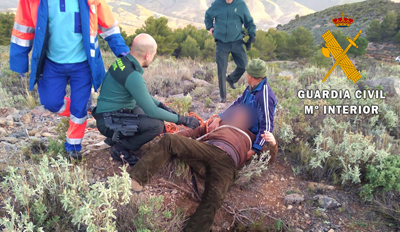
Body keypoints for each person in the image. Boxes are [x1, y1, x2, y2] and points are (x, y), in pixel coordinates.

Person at [128, 106, 278, 232]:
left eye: (246, 114)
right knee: (170, 140)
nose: (241, 114)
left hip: (227, 164)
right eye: (239, 111)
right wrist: (166, 138)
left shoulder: (253, 137)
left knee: (214, 198)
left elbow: (267, 160)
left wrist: (273, 144)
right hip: (206, 149)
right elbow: (193, 134)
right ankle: (135, 185)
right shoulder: (218, 123)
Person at [9, 0, 129, 160]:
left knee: (79, 110)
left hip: (84, 64)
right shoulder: (31, 1)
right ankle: (81, 110)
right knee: (51, 103)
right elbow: (22, 30)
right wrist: (19, 61)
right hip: (51, 64)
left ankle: (73, 147)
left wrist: (124, 53)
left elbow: (109, 28)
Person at [92, 34, 200, 166]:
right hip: (109, 121)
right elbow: (152, 111)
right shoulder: (133, 75)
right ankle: (121, 149)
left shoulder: (123, 63)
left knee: (142, 109)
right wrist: (182, 120)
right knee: (156, 125)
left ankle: (115, 138)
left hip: (108, 115)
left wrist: (161, 105)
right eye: (153, 55)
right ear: (147, 55)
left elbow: (142, 96)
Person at [208, 59, 278, 161]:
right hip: (241, 124)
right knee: (211, 125)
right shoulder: (251, 88)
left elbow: (266, 127)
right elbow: (237, 104)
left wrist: (254, 149)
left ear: (251, 76)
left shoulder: (264, 96)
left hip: (249, 134)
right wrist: (219, 118)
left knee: (228, 152)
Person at [205, 0, 256, 103]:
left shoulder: (241, 4)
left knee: (243, 65)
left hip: (237, 41)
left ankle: (231, 79)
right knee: (221, 70)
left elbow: (249, 21)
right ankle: (223, 97)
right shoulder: (217, 4)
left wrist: (252, 34)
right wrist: (210, 27)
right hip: (221, 43)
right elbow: (208, 15)